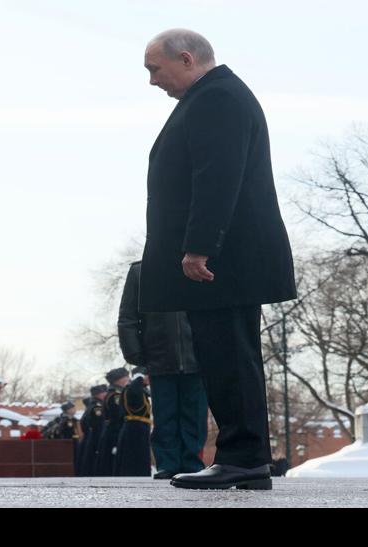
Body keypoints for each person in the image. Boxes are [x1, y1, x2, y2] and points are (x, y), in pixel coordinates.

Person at [139, 29, 295, 491]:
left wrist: (200, 245)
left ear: (186, 59)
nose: (152, 81)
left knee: (229, 356)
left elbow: (217, 176)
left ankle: (244, 458)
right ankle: (243, 458)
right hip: (229, 257)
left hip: (222, 260)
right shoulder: (216, 95)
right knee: (227, 355)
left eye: (154, 69)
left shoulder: (217, 99)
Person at [115, 259, 205, 479]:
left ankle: (193, 463)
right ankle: (168, 463)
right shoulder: (141, 271)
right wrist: (135, 354)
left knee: (195, 416)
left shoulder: (200, 265)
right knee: (165, 416)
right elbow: (128, 317)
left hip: (198, 355)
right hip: (159, 355)